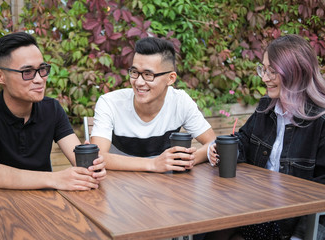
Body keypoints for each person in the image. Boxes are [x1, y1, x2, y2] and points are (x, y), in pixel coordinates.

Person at [208, 34, 325, 239]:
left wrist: (301, 236)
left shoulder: (320, 122)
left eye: (273, 71)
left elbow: (321, 193)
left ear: (296, 73)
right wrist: (220, 150)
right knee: (206, 230)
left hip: (291, 224)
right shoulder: (267, 107)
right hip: (256, 210)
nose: (264, 78)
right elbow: (242, 141)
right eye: (263, 69)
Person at [0, 32, 106, 190]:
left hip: (48, 203)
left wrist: (93, 166)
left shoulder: (52, 108)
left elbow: (77, 159)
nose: (39, 79)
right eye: (27, 72)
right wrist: (55, 178)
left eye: (42, 69)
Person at [91, 37, 216, 172]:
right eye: (134, 72)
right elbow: (97, 156)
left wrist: (189, 159)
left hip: (165, 186)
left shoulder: (180, 102)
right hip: (117, 186)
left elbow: (213, 143)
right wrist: (153, 164)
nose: (138, 82)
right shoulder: (110, 103)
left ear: (171, 78)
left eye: (147, 74)